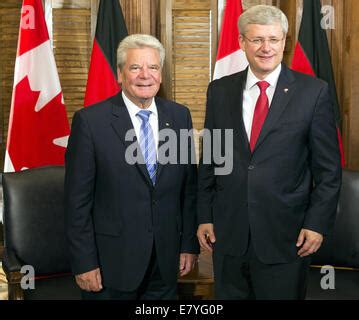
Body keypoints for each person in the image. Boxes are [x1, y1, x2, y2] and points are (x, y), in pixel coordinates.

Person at [197, 5, 342, 300]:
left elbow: (328, 171)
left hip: (286, 237)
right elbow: (210, 160)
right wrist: (205, 215)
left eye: (274, 40)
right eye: (257, 40)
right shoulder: (219, 91)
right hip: (228, 236)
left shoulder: (313, 92)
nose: (266, 48)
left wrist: (316, 224)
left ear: (285, 42)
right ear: (241, 43)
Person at [65, 34, 199, 300]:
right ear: (120, 73)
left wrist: (188, 245)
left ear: (161, 74)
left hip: (165, 261)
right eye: (135, 67)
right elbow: (76, 203)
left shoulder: (179, 116)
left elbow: (188, 189)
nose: (144, 75)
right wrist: (84, 262)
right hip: (110, 265)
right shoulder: (91, 122)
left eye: (153, 67)